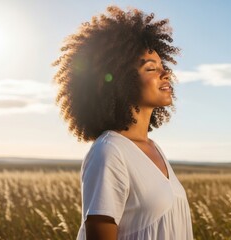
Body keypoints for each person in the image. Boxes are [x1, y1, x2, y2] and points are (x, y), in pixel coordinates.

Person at [51, 5, 193, 240]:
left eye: (162, 67)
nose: (165, 74)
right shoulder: (110, 151)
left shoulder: (153, 148)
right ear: (121, 81)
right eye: (151, 68)